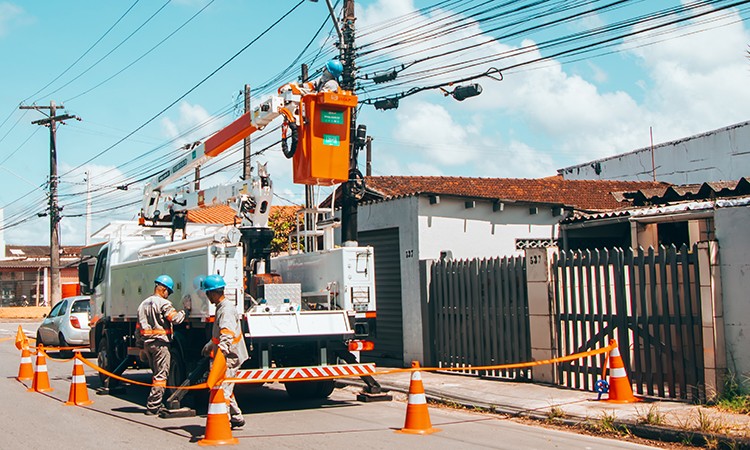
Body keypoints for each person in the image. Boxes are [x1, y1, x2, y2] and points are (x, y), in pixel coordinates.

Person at [136, 274, 191, 415]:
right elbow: (176, 319)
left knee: (156, 375)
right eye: (169, 292)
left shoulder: (143, 304)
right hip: (160, 344)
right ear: (163, 289)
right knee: (161, 376)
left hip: (148, 344)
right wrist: (186, 310)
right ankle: (153, 406)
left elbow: (138, 329)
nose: (169, 295)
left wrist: (140, 346)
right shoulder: (163, 304)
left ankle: (155, 402)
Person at [201, 274, 248, 428]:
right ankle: (237, 417)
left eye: (207, 293)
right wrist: (210, 345)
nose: (207, 297)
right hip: (227, 354)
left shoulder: (226, 310)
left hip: (230, 355)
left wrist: (220, 354)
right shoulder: (222, 307)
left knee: (223, 390)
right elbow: (219, 335)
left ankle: (223, 423)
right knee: (225, 385)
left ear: (213, 293)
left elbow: (226, 334)